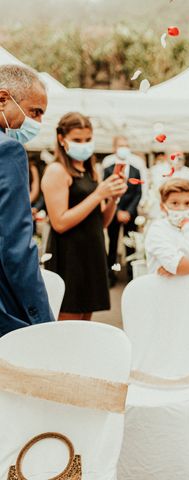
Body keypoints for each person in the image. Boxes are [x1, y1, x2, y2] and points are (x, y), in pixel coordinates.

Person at [41, 112, 127, 320]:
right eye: (77, 140)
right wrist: (99, 194)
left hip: (92, 253)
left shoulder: (91, 171)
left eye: (87, 140)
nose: (84, 145)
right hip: (69, 257)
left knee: (86, 326)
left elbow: (101, 223)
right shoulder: (57, 171)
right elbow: (59, 222)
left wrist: (113, 199)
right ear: (62, 139)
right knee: (67, 326)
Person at [0, 64, 54, 336]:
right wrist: (43, 321)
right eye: (35, 112)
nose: (38, 122)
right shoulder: (8, 150)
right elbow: (15, 246)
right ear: (2, 99)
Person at [144, 178, 189, 278]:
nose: (182, 208)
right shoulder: (157, 230)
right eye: (175, 203)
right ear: (162, 207)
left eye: (187, 203)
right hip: (162, 292)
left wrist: (185, 266)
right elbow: (178, 265)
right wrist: (187, 266)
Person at [104, 149, 143, 285]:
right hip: (114, 214)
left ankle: (131, 276)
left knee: (131, 245)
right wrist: (118, 211)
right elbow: (107, 192)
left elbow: (138, 193)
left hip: (130, 215)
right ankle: (111, 276)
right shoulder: (108, 170)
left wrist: (129, 212)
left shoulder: (135, 170)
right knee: (113, 244)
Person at [102, 135, 149, 199]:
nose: (124, 148)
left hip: (132, 203)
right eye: (121, 146)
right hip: (112, 201)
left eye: (126, 146)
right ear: (114, 147)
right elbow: (104, 184)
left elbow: (143, 184)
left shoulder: (138, 161)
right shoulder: (107, 161)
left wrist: (142, 201)